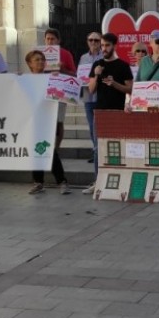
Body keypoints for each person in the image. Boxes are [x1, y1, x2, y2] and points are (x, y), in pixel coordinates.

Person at [87, 32, 134, 194]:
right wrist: (96, 74)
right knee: (97, 148)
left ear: (115, 45)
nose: (103, 48)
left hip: (117, 112)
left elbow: (131, 89)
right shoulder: (97, 65)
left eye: (107, 45)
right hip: (100, 112)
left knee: (118, 146)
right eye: (102, 45)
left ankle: (119, 180)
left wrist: (114, 84)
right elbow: (91, 90)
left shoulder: (123, 65)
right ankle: (97, 181)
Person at [25, 50, 71, 195]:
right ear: (29, 63)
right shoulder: (24, 80)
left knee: (49, 151)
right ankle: (38, 182)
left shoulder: (52, 79)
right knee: (36, 151)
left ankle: (62, 182)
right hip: (32, 122)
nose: (40, 62)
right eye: (36, 60)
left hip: (48, 121)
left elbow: (63, 97)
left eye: (42, 60)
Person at [44, 28, 75, 154]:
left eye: (53, 39)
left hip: (60, 92)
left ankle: (56, 150)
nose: (50, 41)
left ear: (58, 40)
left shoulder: (66, 54)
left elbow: (74, 74)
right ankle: (46, 148)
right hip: (43, 91)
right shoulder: (39, 53)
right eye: (48, 39)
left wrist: (63, 69)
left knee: (58, 122)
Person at [79, 32, 103, 166]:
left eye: (96, 40)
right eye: (91, 40)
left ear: (100, 42)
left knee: (99, 126)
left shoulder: (104, 56)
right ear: (87, 41)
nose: (93, 42)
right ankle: (96, 152)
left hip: (101, 96)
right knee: (91, 126)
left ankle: (100, 153)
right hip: (88, 96)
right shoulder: (83, 57)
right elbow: (80, 75)